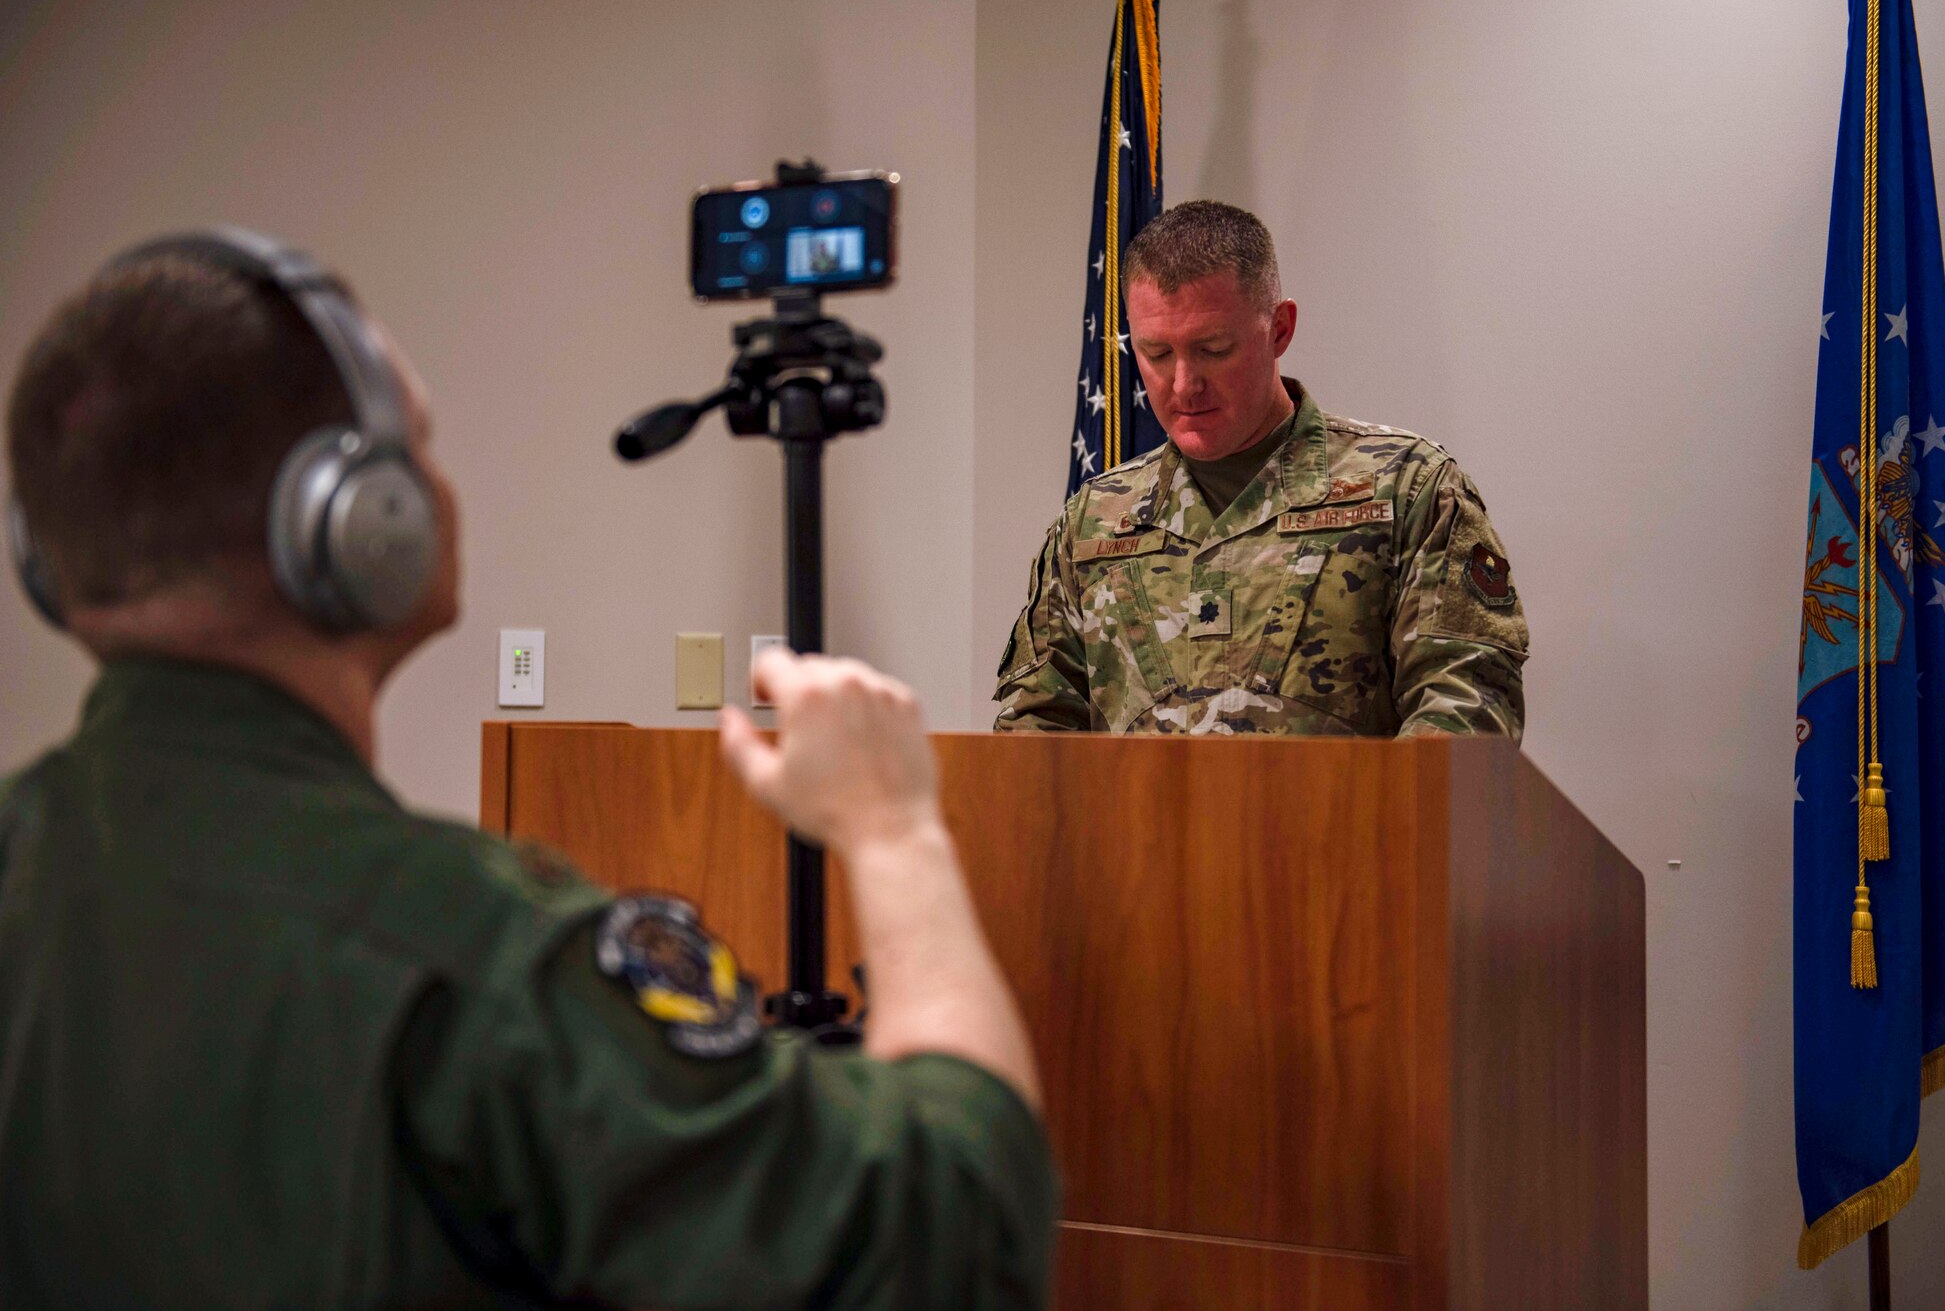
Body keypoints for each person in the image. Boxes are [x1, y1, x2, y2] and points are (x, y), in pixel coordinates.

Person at [0, 231, 1054, 1308]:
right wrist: (894, 829)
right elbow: (953, 1250)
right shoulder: (486, 963)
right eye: (416, 446)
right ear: (363, 523)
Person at [994, 200, 1528, 738]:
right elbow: (1035, 731)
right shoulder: (1096, 521)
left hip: (1347, 825)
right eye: (1156, 354)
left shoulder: (1406, 491)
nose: (1183, 384)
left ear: (1279, 329)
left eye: (1213, 349)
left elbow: (1466, 715)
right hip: (1134, 826)